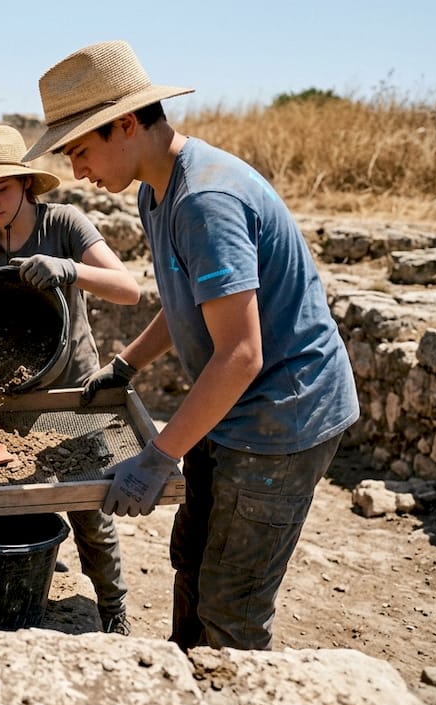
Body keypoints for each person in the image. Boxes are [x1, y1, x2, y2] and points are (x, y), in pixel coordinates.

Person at [22, 41, 359, 651]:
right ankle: (186, 674)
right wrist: (125, 365)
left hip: (281, 417)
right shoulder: (157, 190)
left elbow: (240, 354)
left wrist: (158, 455)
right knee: (194, 557)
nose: (77, 172)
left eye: (81, 150)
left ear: (126, 124)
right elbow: (186, 308)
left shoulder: (205, 200)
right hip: (231, 409)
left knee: (232, 601)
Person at [0, 124, 142, 635]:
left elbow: (128, 288)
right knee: (5, 491)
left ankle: (112, 607)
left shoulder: (64, 225)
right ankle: (21, 583)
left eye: (0, 189)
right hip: (7, 392)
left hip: (74, 387)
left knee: (89, 507)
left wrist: (68, 269)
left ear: (26, 184)